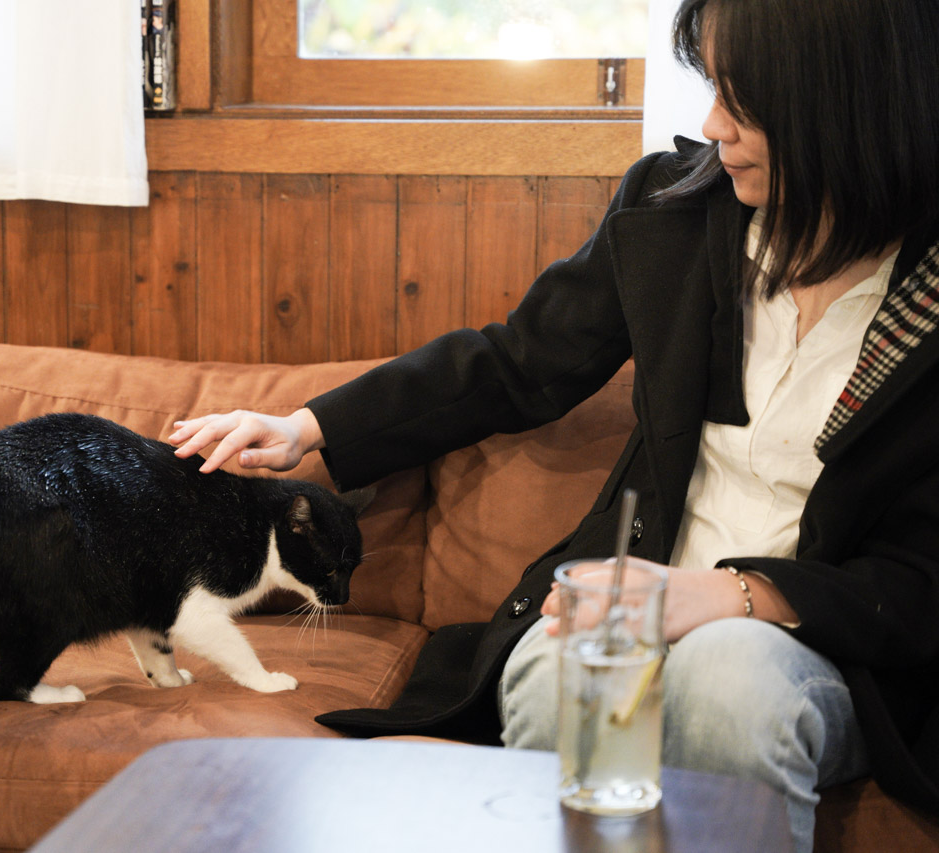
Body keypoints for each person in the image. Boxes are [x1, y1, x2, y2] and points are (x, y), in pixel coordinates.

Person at [168, 0, 939, 849]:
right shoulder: (678, 214)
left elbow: (917, 578)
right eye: (714, 87)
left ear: (847, 106)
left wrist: (732, 595)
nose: (714, 124)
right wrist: (307, 426)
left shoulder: (925, 293)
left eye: (746, 103)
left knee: (730, 674)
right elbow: (517, 362)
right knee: (551, 672)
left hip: (823, 646)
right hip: (629, 602)